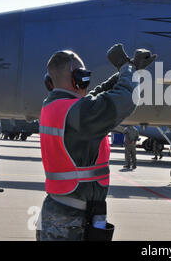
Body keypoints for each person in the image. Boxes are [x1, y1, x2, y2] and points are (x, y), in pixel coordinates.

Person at [37, 44, 156, 241]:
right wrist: (127, 69)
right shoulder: (77, 113)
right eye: (83, 75)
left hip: (66, 212)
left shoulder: (54, 105)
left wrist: (129, 69)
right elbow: (124, 99)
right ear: (77, 78)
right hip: (71, 221)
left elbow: (96, 96)